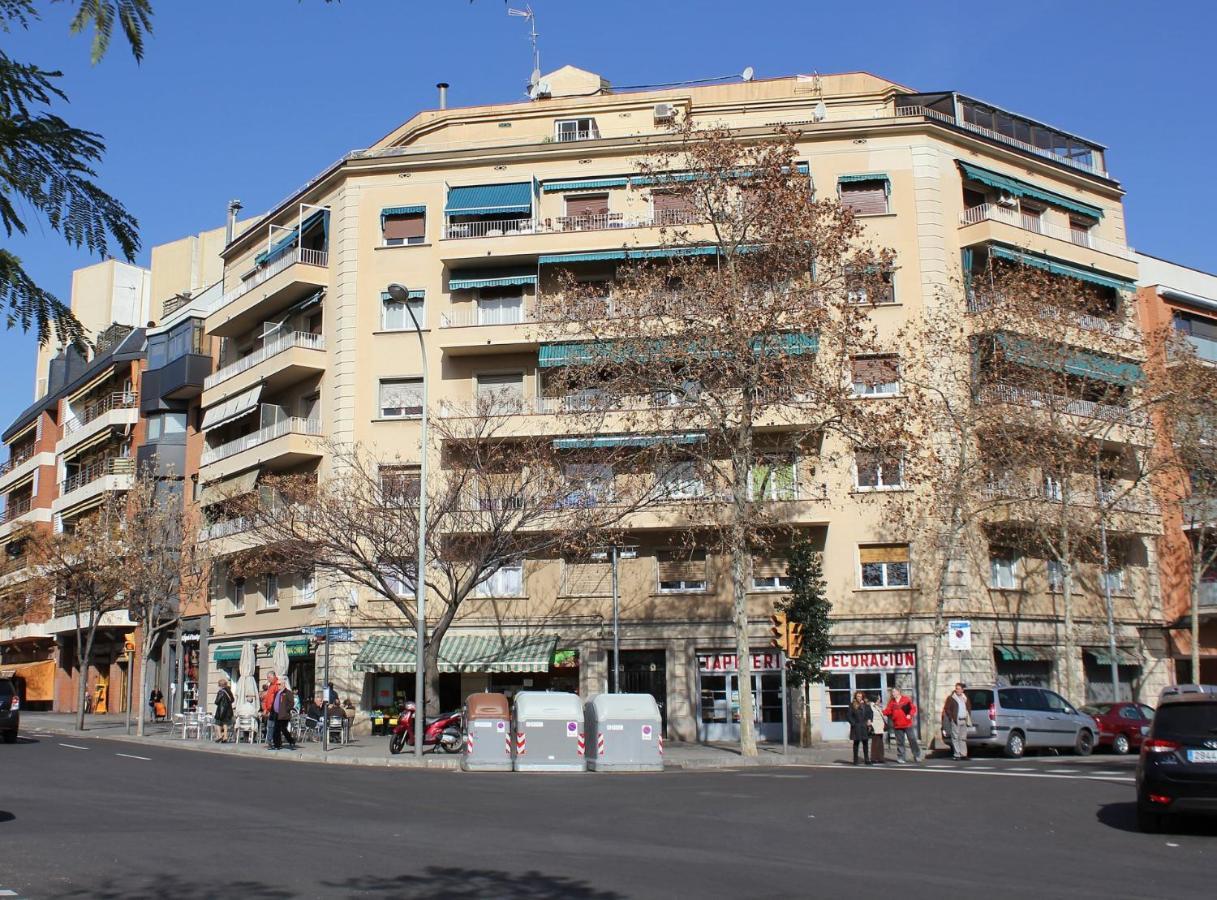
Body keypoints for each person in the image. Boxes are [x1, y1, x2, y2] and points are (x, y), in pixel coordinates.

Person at [883, 687, 921, 764]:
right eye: (892, 692)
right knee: (900, 742)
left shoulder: (905, 700)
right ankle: (901, 757)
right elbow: (888, 711)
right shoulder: (892, 702)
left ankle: (917, 755)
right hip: (897, 725)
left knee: (912, 739)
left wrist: (910, 715)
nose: (893, 693)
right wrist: (880, 710)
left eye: (894, 692)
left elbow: (913, 708)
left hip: (907, 724)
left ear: (898, 692)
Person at [941, 682, 973, 760]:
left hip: (964, 720)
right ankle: (957, 754)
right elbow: (947, 708)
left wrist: (968, 715)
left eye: (959, 689)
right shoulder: (951, 698)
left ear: (962, 690)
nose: (957, 690)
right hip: (956, 720)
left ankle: (963, 754)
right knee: (955, 737)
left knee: (963, 738)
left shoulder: (965, 697)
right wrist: (951, 717)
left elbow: (968, 707)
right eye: (956, 688)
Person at [847, 691, 872, 765]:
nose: (859, 698)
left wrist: (869, 720)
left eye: (860, 696)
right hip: (856, 726)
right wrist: (853, 724)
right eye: (858, 696)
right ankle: (855, 760)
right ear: (855, 697)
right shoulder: (852, 705)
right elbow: (848, 716)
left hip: (864, 726)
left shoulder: (866, 705)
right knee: (856, 743)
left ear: (863, 697)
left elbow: (870, 713)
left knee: (865, 743)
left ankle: (867, 759)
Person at [272, 680, 296, 750]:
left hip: (284, 714)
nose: (278, 685)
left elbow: (291, 703)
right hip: (276, 714)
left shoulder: (288, 692)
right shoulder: (277, 692)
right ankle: (277, 744)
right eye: (278, 684)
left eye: (279, 684)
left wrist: (286, 710)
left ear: (283, 684)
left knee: (283, 729)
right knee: (276, 729)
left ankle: (290, 740)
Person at [214, 678, 235, 743]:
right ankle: (225, 737)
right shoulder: (229, 691)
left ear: (220, 685)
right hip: (228, 710)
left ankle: (220, 736)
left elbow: (217, 701)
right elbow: (232, 700)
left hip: (221, 711)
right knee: (225, 724)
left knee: (217, 723)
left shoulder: (221, 692)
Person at [261, 673, 279, 747]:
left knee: (273, 725)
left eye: (269, 677)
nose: (267, 679)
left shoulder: (277, 685)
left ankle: (273, 741)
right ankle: (270, 741)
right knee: (270, 725)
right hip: (270, 710)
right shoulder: (270, 686)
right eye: (267, 677)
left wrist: (271, 708)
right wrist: (265, 708)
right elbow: (266, 699)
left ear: (273, 677)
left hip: (275, 709)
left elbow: (277, 698)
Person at [869, 694, 886, 763]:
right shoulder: (871, 706)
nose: (880, 699)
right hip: (875, 726)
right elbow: (870, 715)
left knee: (880, 743)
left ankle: (880, 757)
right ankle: (874, 758)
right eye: (879, 698)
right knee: (875, 742)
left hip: (880, 726)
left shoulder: (877, 706)